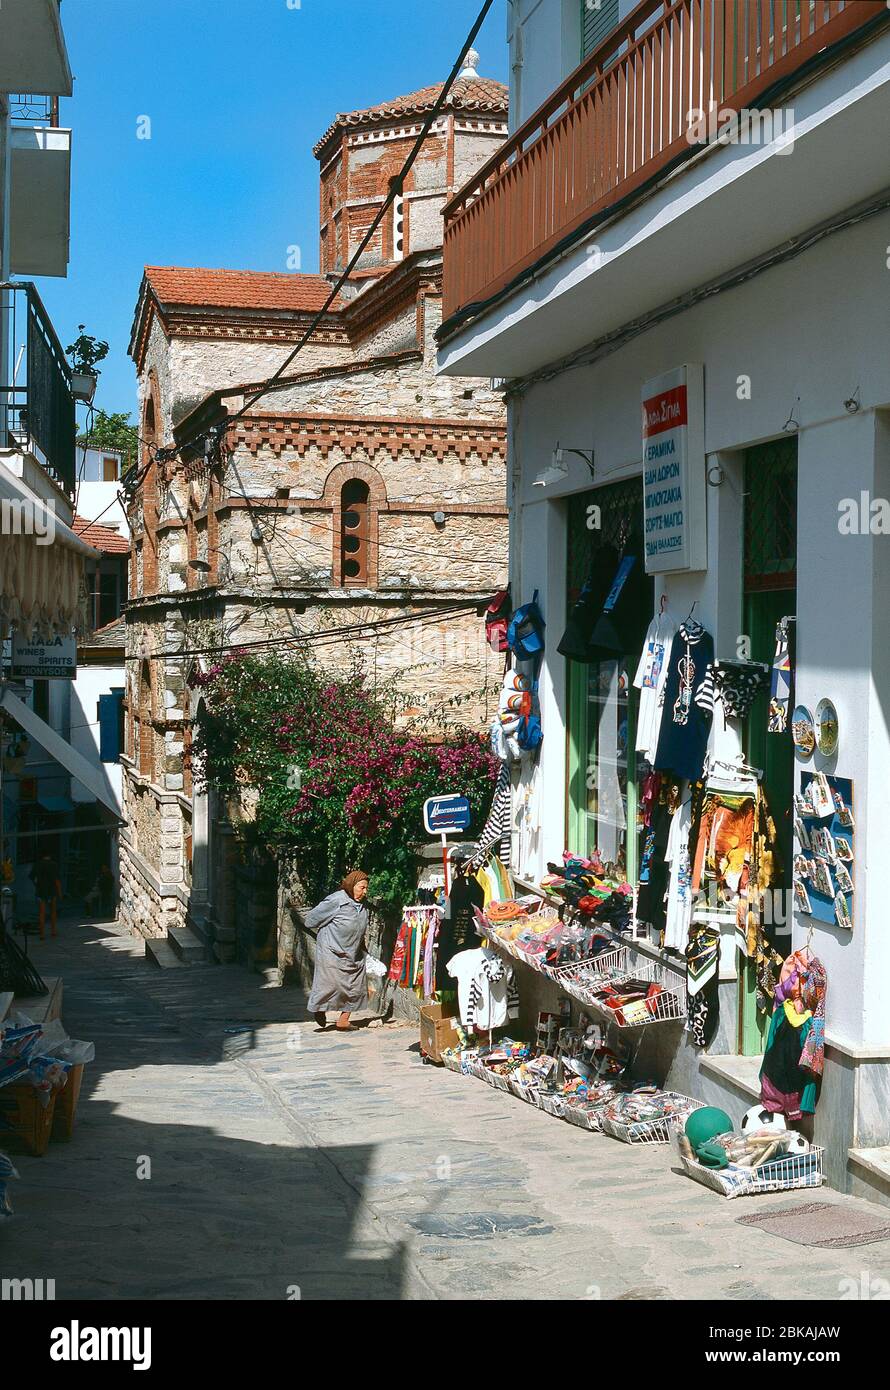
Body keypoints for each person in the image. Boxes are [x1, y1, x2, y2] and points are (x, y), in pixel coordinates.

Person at [305, 870, 370, 1032]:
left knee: (355, 986)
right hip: (331, 952)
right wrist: (328, 936)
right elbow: (310, 920)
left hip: (354, 952)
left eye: (366, 888)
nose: (365, 892)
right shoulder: (336, 901)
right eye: (362, 888)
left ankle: (343, 1020)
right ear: (351, 885)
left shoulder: (362, 905)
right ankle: (319, 1008)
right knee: (330, 985)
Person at [30, 853, 62, 941]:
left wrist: (37, 884)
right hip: (52, 891)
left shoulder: (37, 865)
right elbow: (57, 880)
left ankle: (42, 933)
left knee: (41, 913)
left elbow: (32, 877)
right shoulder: (53, 865)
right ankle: (53, 930)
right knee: (53, 911)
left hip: (41, 891)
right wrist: (60, 893)